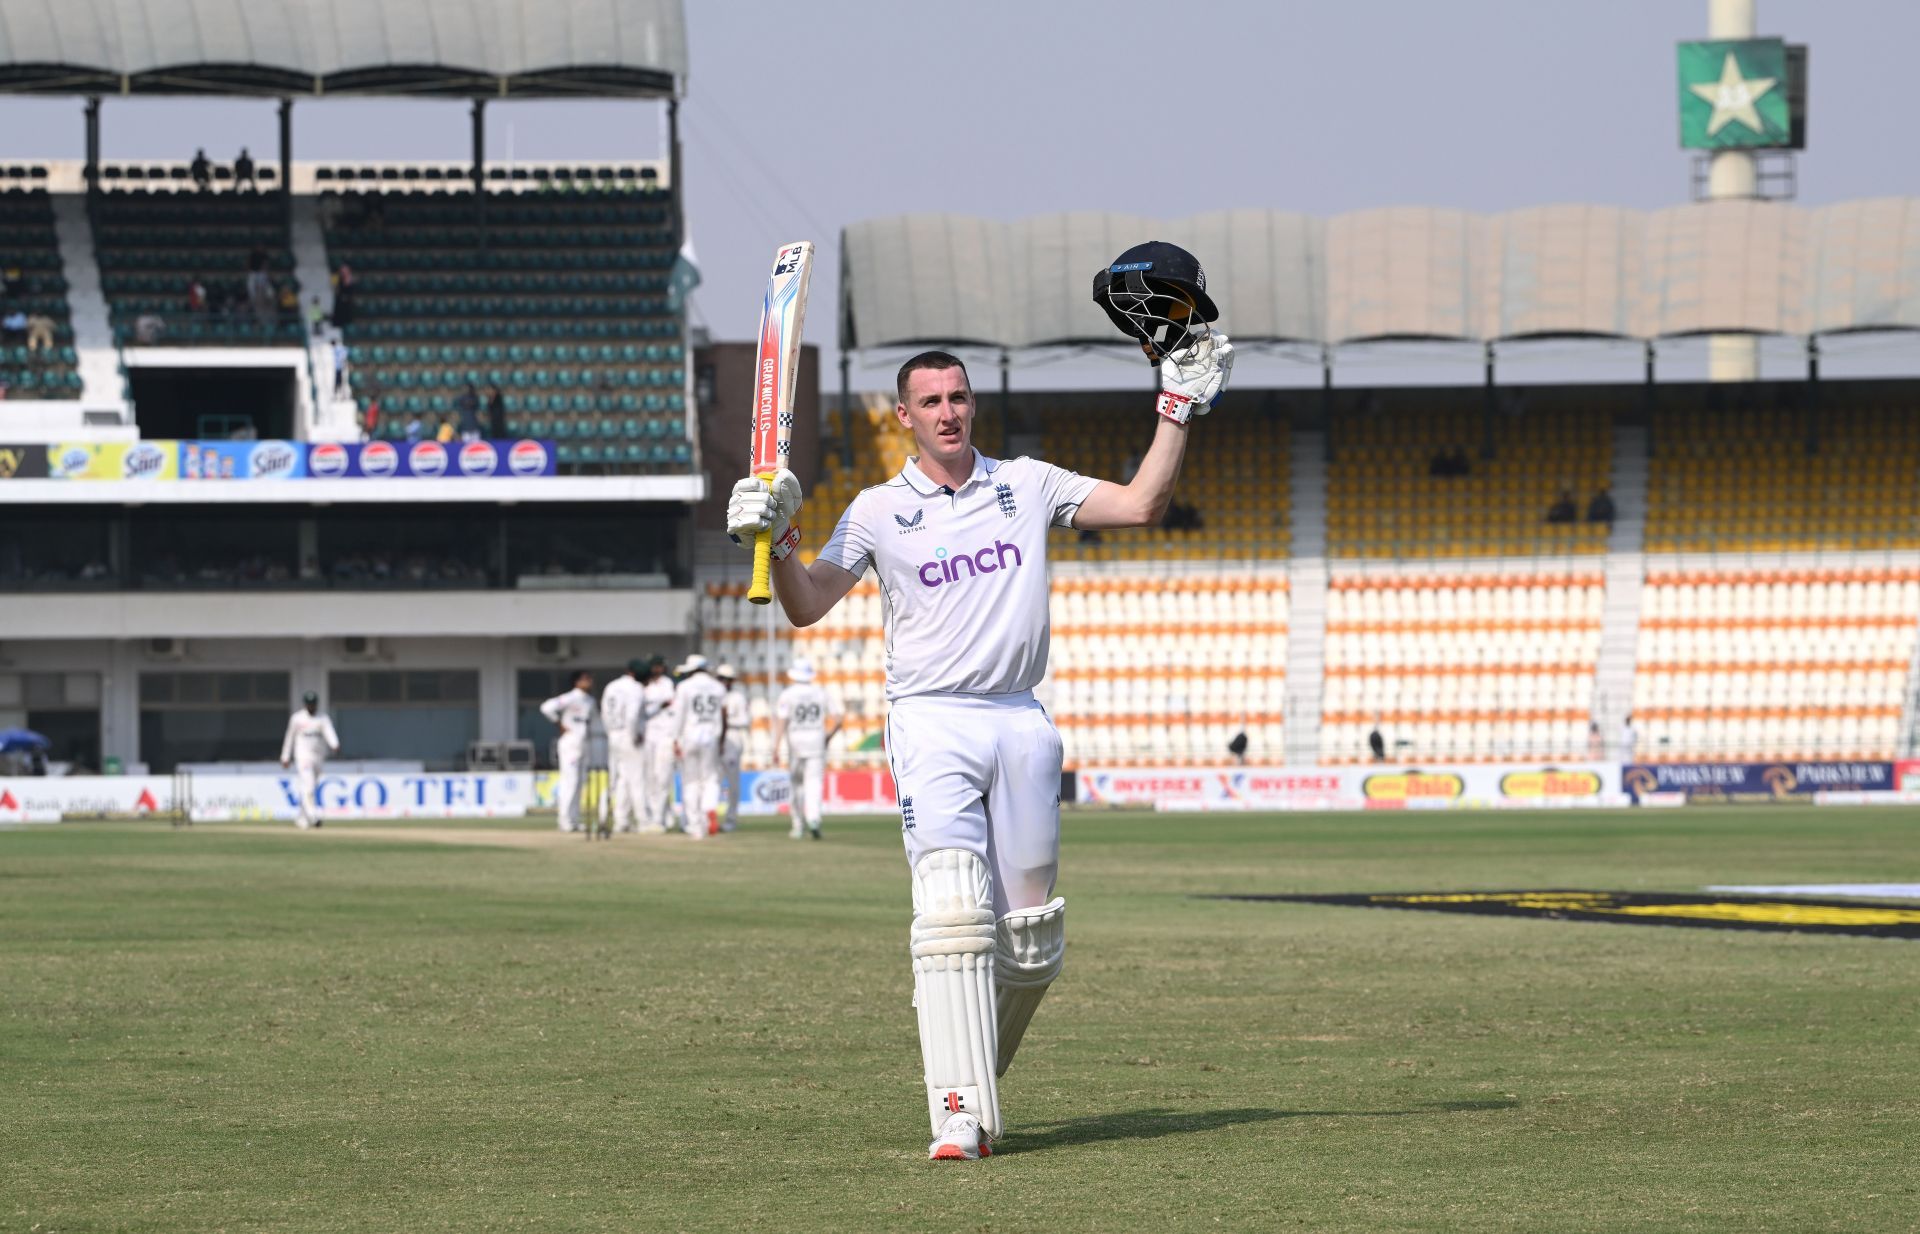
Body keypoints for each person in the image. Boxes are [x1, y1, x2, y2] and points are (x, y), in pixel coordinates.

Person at [725, 311, 1233, 1160]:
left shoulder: (1027, 483)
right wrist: (777, 540)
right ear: (905, 417)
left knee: (1029, 942)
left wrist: (1175, 405)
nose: (949, 411)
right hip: (931, 718)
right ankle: (956, 1112)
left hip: (1020, 718)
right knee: (954, 912)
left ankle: (967, 1076)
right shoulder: (880, 511)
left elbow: (1143, 505)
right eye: (931, 401)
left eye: (959, 396)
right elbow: (806, 604)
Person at [774, 658, 842, 841]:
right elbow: (838, 719)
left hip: (795, 742)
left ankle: (797, 825)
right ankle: (814, 819)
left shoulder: (787, 694)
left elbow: (782, 721)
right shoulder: (821, 693)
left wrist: (775, 745)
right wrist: (827, 737)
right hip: (816, 741)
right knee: (814, 784)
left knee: (796, 784)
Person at [671, 654, 729, 839]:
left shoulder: (684, 687)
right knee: (710, 779)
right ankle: (709, 808)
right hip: (711, 736)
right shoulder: (718, 687)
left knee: (691, 781)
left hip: (690, 735)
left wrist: (675, 739)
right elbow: (723, 715)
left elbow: (679, 714)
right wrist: (721, 740)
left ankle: (696, 826)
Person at [539, 670, 597, 833]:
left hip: (584, 742)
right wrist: (559, 724)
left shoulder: (590, 701)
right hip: (570, 742)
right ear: (576, 682)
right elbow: (546, 707)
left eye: (589, 678)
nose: (589, 681)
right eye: (585, 679)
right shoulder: (570, 697)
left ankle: (574, 819)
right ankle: (564, 820)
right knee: (570, 781)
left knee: (580, 782)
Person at [599, 659, 648, 835]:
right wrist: (634, 735)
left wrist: (610, 732)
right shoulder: (635, 688)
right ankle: (643, 821)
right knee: (636, 779)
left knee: (618, 779)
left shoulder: (611, 686)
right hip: (628, 735)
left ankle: (615, 819)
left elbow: (604, 713)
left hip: (613, 734)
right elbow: (632, 715)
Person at [279, 691, 340, 831]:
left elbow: (329, 732)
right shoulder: (297, 719)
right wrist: (285, 756)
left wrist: (334, 744)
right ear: (305, 704)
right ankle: (314, 816)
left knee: (309, 787)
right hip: (303, 756)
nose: (312, 707)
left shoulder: (322, 718)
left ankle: (302, 818)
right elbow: (289, 738)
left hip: (318, 757)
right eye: (309, 704)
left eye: (314, 704)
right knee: (309, 785)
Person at [638, 655, 679, 833]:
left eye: (659, 666)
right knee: (650, 777)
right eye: (654, 666)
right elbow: (646, 710)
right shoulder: (641, 687)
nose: (657, 670)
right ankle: (656, 815)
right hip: (647, 735)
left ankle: (661, 816)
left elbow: (669, 704)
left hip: (665, 735)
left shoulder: (667, 683)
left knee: (663, 776)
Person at [716, 663, 751, 832]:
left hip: (732, 738)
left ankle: (730, 819)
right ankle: (709, 818)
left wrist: (725, 722)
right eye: (722, 679)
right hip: (715, 740)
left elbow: (744, 721)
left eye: (728, 680)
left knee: (732, 783)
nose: (725, 682)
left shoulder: (737, 697)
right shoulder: (713, 694)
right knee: (712, 782)